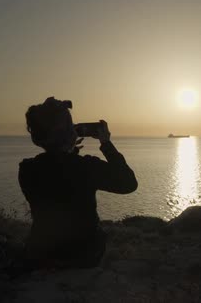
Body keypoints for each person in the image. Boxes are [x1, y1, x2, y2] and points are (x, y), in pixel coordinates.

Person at [18, 97, 137, 268]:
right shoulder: (86, 167)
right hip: (83, 255)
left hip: (41, 253)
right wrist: (106, 143)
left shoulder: (27, 169)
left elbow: (57, 175)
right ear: (69, 133)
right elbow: (128, 183)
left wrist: (68, 150)